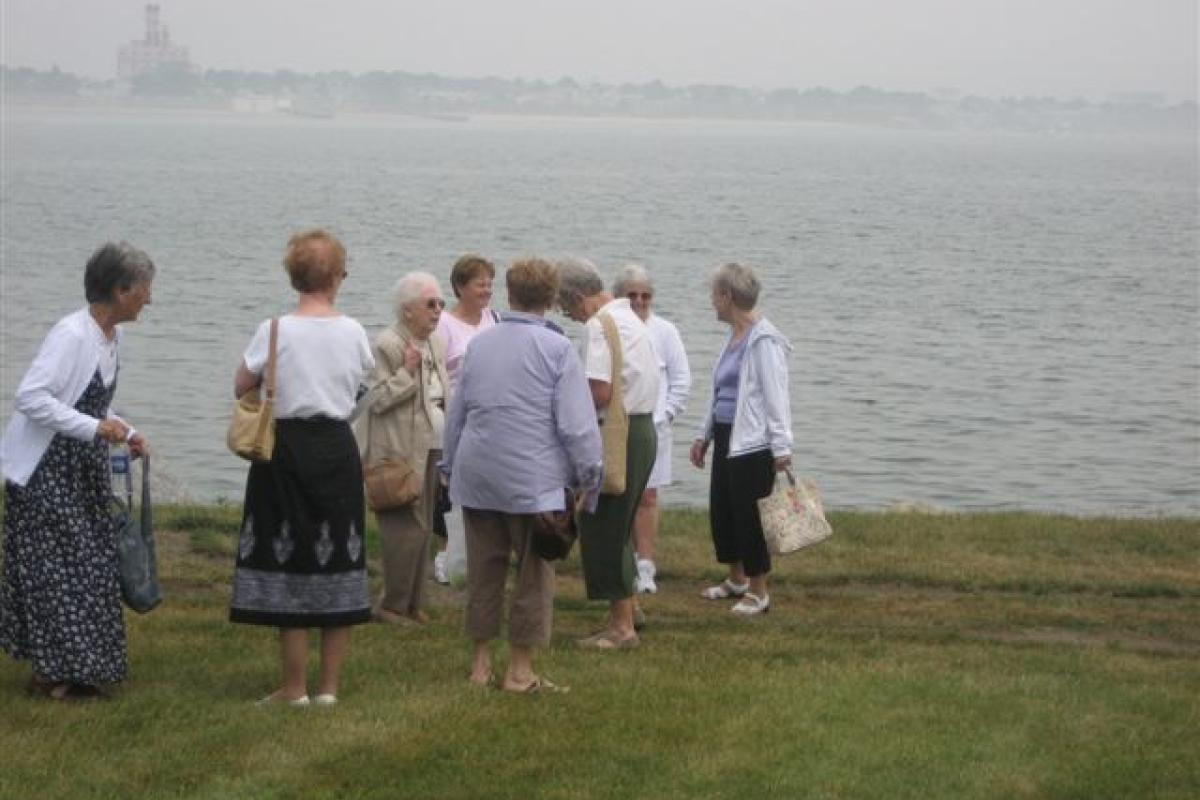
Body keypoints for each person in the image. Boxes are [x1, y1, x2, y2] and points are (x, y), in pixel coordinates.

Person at [0, 241, 155, 701]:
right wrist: (95, 428)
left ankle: (79, 670)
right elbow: (31, 397)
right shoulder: (71, 335)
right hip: (46, 471)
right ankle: (51, 676)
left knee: (90, 569)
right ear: (121, 290)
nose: (149, 297)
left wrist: (127, 432)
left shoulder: (112, 338)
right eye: (144, 288)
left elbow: (96, 404)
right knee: (55, 573)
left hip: (81, 469)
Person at [229, 229, 375, 706]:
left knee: (287, 557)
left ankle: (293, 688)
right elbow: (361, 385)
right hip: (335, 446)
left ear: (294, 277)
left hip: (285, 447)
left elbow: (241, 384)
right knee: (339, 556)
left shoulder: (275, 329)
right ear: (337, 277)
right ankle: (328, 688)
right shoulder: (353, 331)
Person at [442, 258, 601, 691]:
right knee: (533, 573)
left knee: (483, 570)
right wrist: (590, 475)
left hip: (478, 472)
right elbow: (576, 423)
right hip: (533, 479)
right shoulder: (557, 348)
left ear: (509, 294)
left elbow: (457, 413)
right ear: (551, 299)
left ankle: (479, 665)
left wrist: (448, 465)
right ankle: (519, 669)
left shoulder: (480, 344)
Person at [556, 257, 659, 649]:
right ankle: (631, 606)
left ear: (581, 298)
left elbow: (599, 390)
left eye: (568, 309)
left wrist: (564, 401)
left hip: (618, 433)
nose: (572, 317)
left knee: (603, 525)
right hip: (643, 429)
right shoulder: (633, 318)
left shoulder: (601, 325)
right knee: (624, 522)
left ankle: (621, 627)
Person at [689, 263, 793, 616]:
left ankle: (759, 590)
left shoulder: (764, 340)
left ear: (727, 296)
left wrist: (781, 447)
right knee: (723, 510)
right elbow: (720, 389)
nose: (711, 302)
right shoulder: (733, 336)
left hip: (753, 442)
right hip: (725, 434)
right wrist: (704, 435)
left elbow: (776, 395)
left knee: (750, 516)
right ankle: (735, 578)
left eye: (714, 295)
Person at [359, 271, 449, 626]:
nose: (438, 310)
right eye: (431, 304)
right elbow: (376, 400)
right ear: (407, 309)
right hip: (397, 451)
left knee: (425, 526)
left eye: (441, 303)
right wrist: (407, 372)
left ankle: (413, 603)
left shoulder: (436, 342)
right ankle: (391, 605)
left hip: (431, 446)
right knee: (402, 528)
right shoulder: (388, 344)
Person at [611, 265, 691, 595]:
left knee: (647, 495)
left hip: (654, 428)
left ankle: (646, 565)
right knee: (617, 494)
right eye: (632, 295)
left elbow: (682, 380)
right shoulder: (609, 328)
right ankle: (620, 560)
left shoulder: (665, 331)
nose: (640, 301)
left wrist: (665, 415)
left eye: (645, 295)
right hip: (616, 427)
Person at [431, 254, 499, 586]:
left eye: (489, 284)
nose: (486, 290)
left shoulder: (494, 319)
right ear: (460, 287)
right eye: (479, 284)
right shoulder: (444, 323)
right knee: (450, 487)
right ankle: (446, 550)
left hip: (489, 418)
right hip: (456, 415)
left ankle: (481, 549)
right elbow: (438, 372)